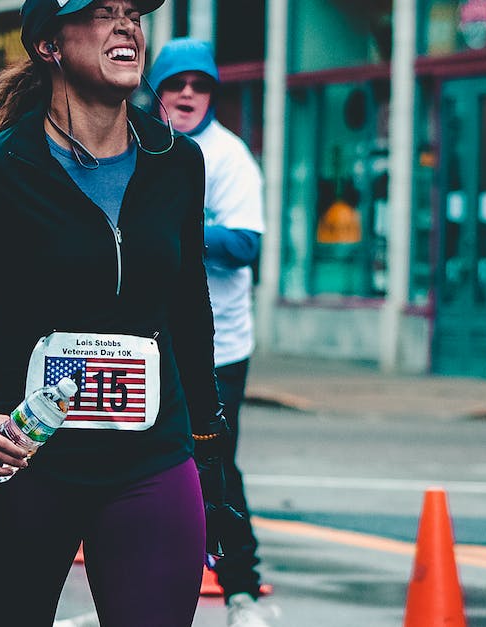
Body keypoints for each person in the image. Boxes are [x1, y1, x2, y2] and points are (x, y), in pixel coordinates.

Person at [0, 1, 243, 625]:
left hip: (150, 462)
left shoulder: (177, 162)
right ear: (50, 46)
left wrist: (208, 456)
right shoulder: (0, 172)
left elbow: (191, 315)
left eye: (133, 12)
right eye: (102, 12)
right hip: (28, 463)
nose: (127, 25)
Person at [150, 37, 276, 626]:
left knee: (215, 465)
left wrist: (177, 227)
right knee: (141, 466)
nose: (187, 95)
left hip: (219, 345)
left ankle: (241, 592)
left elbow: (246, 243)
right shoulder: (135, 143)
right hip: (145, 340)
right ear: (159, 92)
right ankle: (142, 588)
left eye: (199, 87)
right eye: (177, 84)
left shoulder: (228, 157)